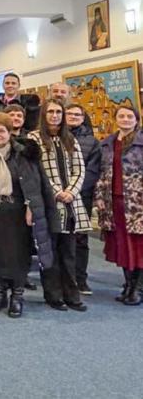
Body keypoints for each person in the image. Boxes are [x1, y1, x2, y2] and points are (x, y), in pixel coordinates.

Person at [0, 113, 56, 318]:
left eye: (2, 130)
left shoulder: (25, 154)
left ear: (9, 132)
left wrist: (31, 207)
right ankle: (0, 294)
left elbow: (35, 183)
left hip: (18, 212)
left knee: (18, 255)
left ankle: (17, 297)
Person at [27, 99, 89, 311]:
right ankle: (53, 295)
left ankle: (72, 295)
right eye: (50, 112)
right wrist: (57, 192)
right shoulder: (34, 138)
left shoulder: (70, 139)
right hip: (49, 203)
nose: (55, 116)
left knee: (69, 253)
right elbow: (37, 170)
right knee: (49, 252)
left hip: (70, 204)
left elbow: (79, 169)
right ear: (44, 115)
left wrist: (71, 191)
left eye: (58, 112)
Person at [94, 105, 143, 305]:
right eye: (121, 116)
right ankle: (128, 284)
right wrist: (99, 196)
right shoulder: (107, 143)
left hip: (138, 202)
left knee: (138, 245)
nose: (125, 119)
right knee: (122, 245)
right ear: (116, 119)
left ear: (136, 119)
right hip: (113, 202)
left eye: (129, 116)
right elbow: (101, 172)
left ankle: (138, 288)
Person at [66, 103, 101, 295]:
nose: (73, 117)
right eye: (69, 114)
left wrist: (74, 190)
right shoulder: (54, 137)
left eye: (77, 114)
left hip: (81, 196)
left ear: (83, 117)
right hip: (57, 195)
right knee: (60, 238)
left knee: (80, 239)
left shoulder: (92, 142)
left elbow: (93, 171)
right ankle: (62, 278)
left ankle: (80, 279)